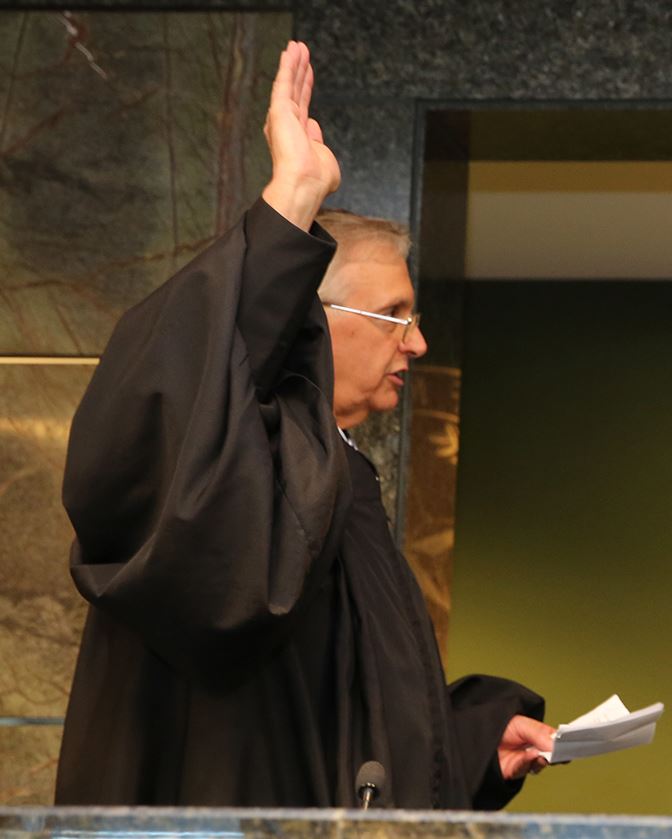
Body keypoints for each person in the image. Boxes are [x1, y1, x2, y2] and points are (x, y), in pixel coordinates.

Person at [55, 41, 554, 808]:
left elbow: (347, 725)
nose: (416, 342)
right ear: (312, 318)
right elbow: (178, 396)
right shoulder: (247, 463)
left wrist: (475, 740)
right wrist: (291, 202)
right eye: (393, 315)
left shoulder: (337, 475)